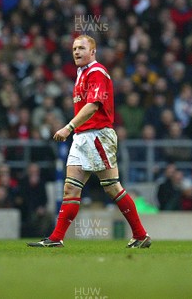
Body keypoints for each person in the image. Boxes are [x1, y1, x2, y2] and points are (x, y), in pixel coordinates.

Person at [28, 35, 151, 248]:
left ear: (92, 52)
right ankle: (56, 238)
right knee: (70, 189)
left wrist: (68, 127)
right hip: (82, 137)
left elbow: (93, 105)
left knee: (112, 187)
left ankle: (140, 234)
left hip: (98, 135)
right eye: (74, 48)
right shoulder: (81, 73)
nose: (76, 52)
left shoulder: (97, 72)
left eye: (82, 48)